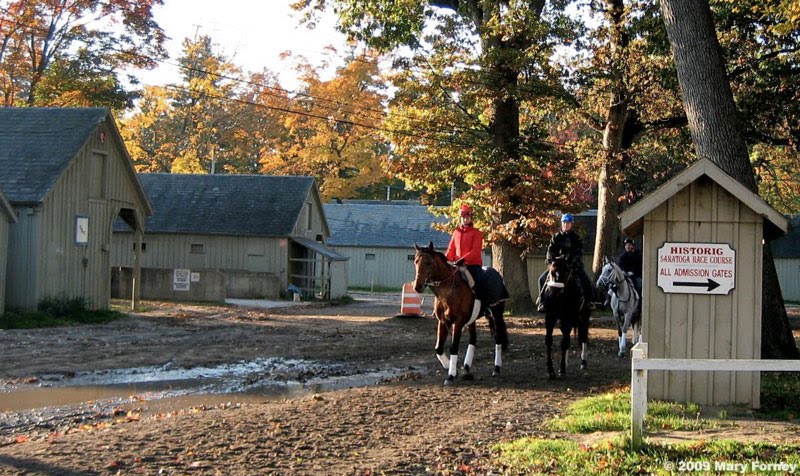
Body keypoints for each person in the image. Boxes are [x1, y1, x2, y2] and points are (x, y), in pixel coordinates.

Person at [536, 213, 595, 312]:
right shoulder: (556, 237)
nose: (566, 225)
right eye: (564, 223)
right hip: (557, 266)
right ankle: (542, 301)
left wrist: (573, 262)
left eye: (568, 223)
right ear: (561, 223)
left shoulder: (576, 238)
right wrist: (550, 260)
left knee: (586, 280)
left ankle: (590, 302)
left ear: (572, 224)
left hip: (573, 265)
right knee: (541, 279)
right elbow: (550, 250)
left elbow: (579, 252)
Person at [446, 203, 484, 285]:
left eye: (468, 218)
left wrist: (463, 260)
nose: (466, 219)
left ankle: (479, 296)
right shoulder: (456, 232)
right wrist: (446, 258)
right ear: (460, 218)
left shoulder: (476, 233)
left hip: (472, 264)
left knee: (479, 281)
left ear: (471, 218)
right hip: (457, 264)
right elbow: (451, 248)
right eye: (463, 218)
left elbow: (476, 250)